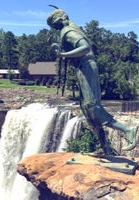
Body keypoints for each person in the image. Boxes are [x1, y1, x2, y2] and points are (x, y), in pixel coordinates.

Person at [47, 6, 138, 154]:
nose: (56, 29)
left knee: (93, 107)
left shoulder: (68, 32)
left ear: (61, 20)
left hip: (87, 67)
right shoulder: (66, 31)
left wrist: (62, 54)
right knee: (87, 110)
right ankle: (105, 149)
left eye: (56, 26)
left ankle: (128, 130)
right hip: (82, 69)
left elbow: (85, 48)